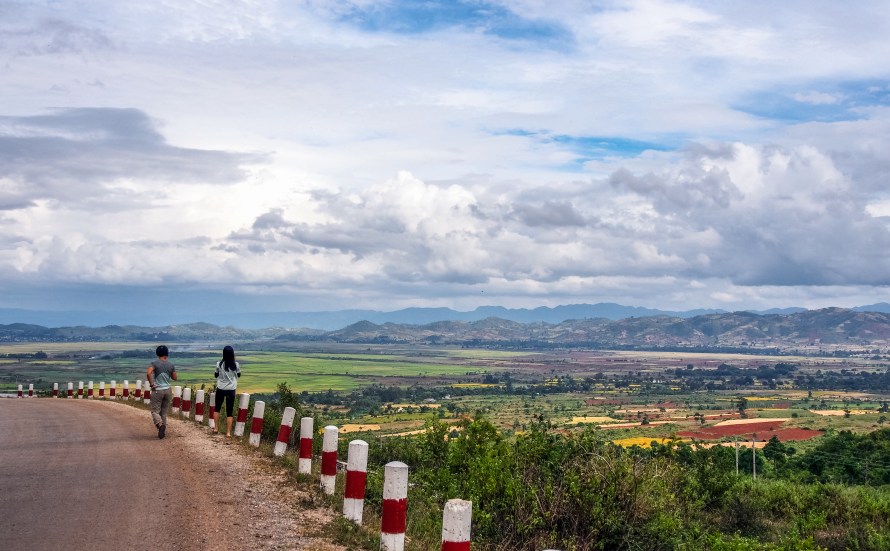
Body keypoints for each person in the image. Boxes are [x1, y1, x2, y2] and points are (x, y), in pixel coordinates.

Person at [147, 345, 177, 439]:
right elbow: (175, 378)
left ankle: (160, 425)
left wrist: (151, 384)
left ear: (157, 353)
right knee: (163, 412)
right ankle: (163, 431)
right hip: (168, 390)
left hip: (157, 390)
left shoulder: (154, 363)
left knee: (155, 411)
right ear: (167, 354)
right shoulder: (171, 365)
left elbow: (148, 373)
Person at [213, 345, 241, 437]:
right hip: (231, 389)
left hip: (221, 388)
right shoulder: (236, 365)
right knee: (229, 411)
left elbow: (216, 375)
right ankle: (228, 433)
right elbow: (239, 375)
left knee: (217, 408)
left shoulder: (219, 364)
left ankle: (216, 428)